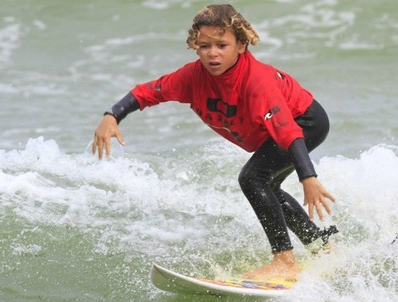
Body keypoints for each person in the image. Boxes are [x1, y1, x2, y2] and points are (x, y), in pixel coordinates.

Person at [92, 4, 337, 281]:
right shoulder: (192, 77)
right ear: (195, 46)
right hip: (279, 128)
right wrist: (113, 115)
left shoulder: (256, 82)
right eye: (204, 45)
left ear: (241, 45)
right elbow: (148, 92)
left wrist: (309, 176)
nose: (213, 53)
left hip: (305, 121)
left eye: (222, 45)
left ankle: (284, 260)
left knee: (253, 178)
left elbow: (287, 131)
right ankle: (322, 247)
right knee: (267, 186)